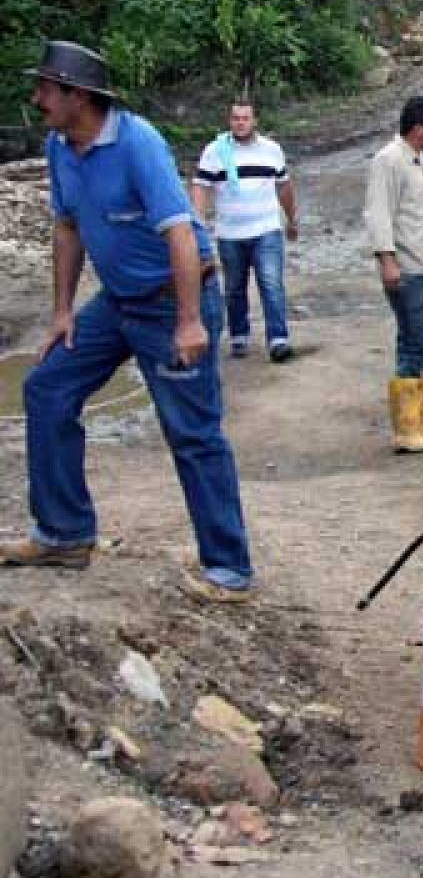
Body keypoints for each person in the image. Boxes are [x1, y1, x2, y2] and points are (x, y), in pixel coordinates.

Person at [0, 41, 255, 603]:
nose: (36, 97)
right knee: (46, 387)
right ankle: (64, 533)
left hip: (172, 302)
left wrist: (190, 322)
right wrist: (63, 311)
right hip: (116, 303)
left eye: (46, 87)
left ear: (78, 95)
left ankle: (229, 570)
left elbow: (180, 232)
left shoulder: (138, 142)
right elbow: (67, 228)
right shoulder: (61, 146)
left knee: (192, 433)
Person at [364, 95, 423, 454]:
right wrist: (387, 259)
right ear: (418, 128)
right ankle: (405, 428)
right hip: (409, 266)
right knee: (413, 340)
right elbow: (378, 213)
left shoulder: (420, 159)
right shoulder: (389, 160)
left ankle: (422, 420)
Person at [190, 99, 298, 363]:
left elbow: (284, 186)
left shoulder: (272, 150)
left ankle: (278, 339)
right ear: (229, 121)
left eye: (245, 118)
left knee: (271, 283)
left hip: (266, 228)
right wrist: (197, 225)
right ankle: (239, 335)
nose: (240, 123)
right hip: (230, 233)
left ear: (255, 121)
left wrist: (292, 218)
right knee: (235, 287)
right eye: (235, 118)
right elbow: (201, 187)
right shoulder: (216, 151)